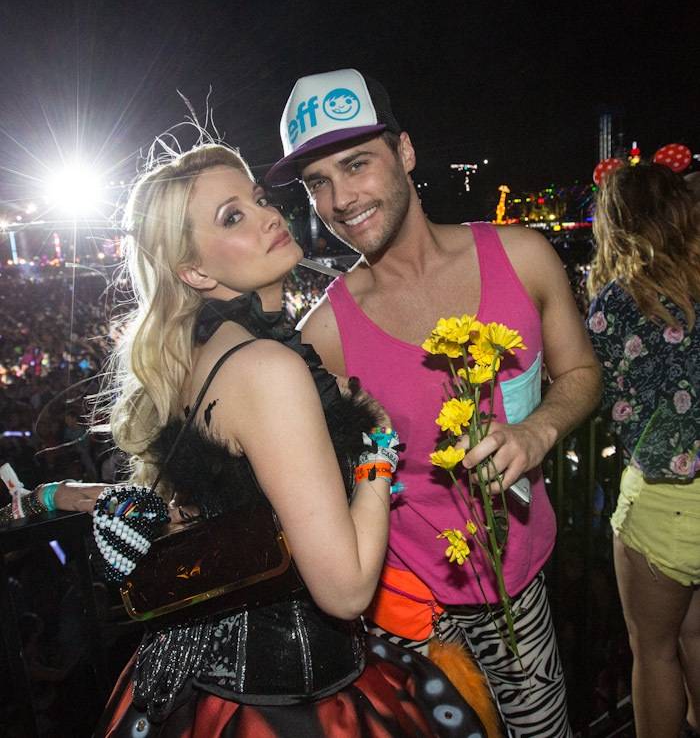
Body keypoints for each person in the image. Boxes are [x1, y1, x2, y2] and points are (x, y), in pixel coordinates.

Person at [2, 141, 491, 737]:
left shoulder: (199, 357)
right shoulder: (265, 368)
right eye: (232, 216)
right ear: (196, 271)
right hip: (286, 702)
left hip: (205, 680)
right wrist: (378, 451)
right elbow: (345, 590)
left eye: (258, 200)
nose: (268, 216)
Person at [266, 68, 602, 737]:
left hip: (515, 589)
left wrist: (537, 432)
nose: (340, 199)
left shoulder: (524, 256)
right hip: (400, 613)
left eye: (356, 164)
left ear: (406, 151)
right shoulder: (323, 335)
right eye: (317, 182)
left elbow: (582, 372)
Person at [586, 162, 700, 738]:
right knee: (697, 636)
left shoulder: (615, 303)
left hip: (662, 500)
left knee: (654, 650)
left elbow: (592, 389)